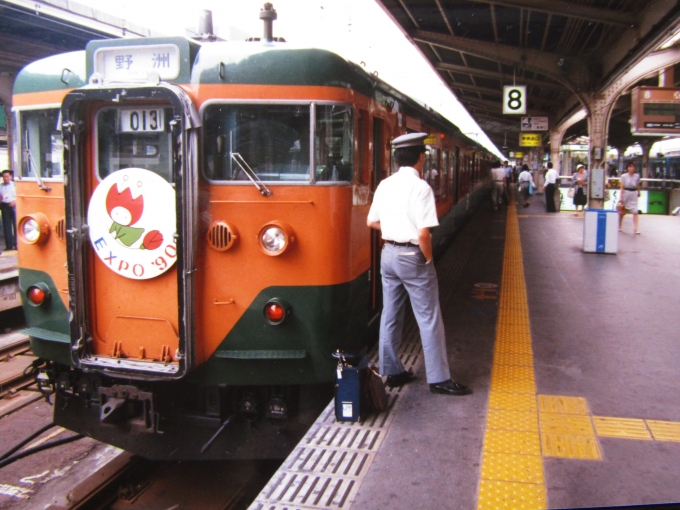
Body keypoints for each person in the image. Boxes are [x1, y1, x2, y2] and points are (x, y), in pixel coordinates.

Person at [367, 132, 471, 396]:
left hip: (388, 254)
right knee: (429, 317)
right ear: (421, 158)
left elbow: (372, 222)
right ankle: (439, 379)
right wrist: (428, 259)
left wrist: (391, 231)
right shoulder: (421, 188)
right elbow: (424, 234)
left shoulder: (385, 184)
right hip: (412, 257)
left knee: (390, 315)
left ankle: (391, 371)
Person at [618, 161, 641, 234]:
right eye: (630, 167)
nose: (631, 168)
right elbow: (622, 187)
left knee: (635, 211)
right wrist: (621, 197)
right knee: (622, 212)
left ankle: (636, 228)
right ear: (627, 168)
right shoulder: (623, 176)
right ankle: (619, 226)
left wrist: (639, 192)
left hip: (633, 194)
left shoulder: (637, 176)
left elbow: (637, 185)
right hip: (626, 193)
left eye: (633, 167)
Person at [0, 170, 17, 251]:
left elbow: (20, 195)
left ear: (10, 176)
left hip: (14, 205)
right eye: (4, 177)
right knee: (7, 226)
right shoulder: (1, 186)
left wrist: (15, 201)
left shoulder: (15, 185)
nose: (5, 178)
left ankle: (17, 244)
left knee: (16, 224)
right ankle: (9, 245)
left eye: (7, 176)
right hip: (4, 205)